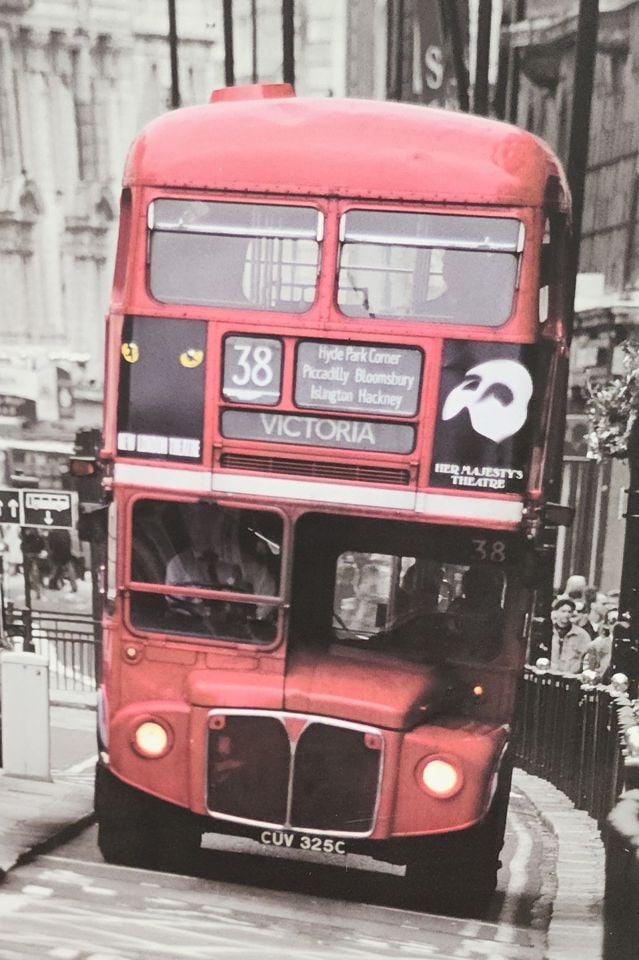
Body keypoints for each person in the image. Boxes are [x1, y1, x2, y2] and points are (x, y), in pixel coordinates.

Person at [445, 564, 504, 660]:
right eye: (471, 585)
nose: (474, 590)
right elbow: (446, 629)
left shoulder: (498, 616)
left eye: (480, 587)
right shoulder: (457, 607)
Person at [549, 596, 591, 673]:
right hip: (548, 676)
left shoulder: (582, 635)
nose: (566, 615)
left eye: (569, 612)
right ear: (556, 612)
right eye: (563, 611)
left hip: (571, 678)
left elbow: (587, 659)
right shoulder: (549, 631)